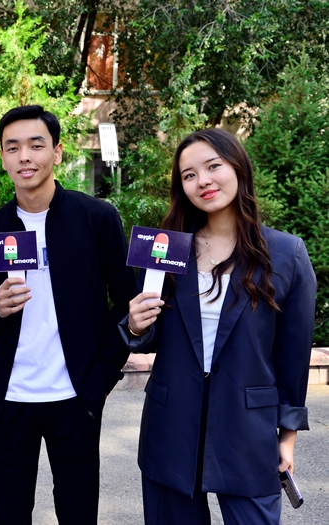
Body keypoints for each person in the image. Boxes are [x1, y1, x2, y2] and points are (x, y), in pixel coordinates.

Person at [124, 128, 316, 524]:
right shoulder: (167, 249)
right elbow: (148, 335)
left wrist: (288, 436)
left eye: (213, 166)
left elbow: (293, 356)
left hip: (248, 432)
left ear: (238, 167)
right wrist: (136, 326)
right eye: (189, 175)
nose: (203, 181)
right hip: (171, 427)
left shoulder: (286, 252)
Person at [0, 105, 136, 524]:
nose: (24, 156)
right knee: (9, 515)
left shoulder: (96, 218)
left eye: (36, 145)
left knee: (78, 514)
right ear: (2, 157)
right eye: (13, 147)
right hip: (10, 400)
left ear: (57, 152)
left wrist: (101, 377)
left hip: (75, 398)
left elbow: (126, 302)